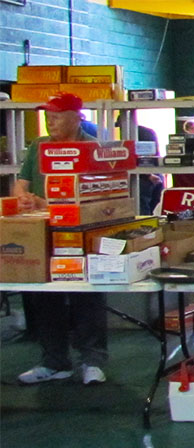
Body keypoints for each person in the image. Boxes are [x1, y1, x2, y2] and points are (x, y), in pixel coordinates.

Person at [14, 92, 108, 386]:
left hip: (79, 232)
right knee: (44, 296)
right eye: (47, 115)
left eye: (56, 115)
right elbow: (21, 185)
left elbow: (97, 197)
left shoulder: (91, 148)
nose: (49, 120)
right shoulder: (38, 146)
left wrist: (51, 204)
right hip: (43, 233)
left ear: (76, 117)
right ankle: (54, 361)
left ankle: (92, 361)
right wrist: (26, 200)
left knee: (86, 294)